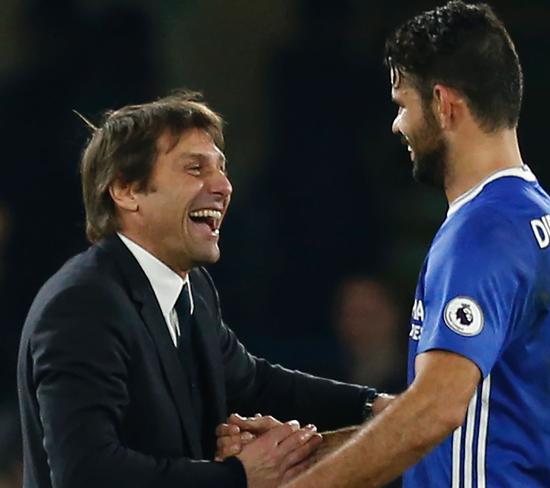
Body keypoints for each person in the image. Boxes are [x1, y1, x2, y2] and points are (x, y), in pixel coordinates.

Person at [279, 2, 550, 486]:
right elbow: (456, 412)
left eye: (403, 104)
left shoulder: (482, 231)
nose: (396, 125)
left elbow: (436, 411)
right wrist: (300, 456)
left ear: (444, 105)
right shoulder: (538, 214)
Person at [16, 92, 390, 488]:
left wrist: (374, 405)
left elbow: (253, 383)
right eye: (195, 169)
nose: (224, 186)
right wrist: (239, 476)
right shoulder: (83, 306)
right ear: (126, 190)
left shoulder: (191, 287)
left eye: (221, 169)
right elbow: (85, 474)